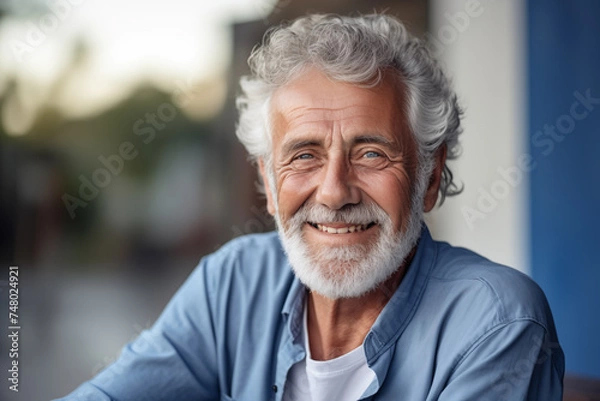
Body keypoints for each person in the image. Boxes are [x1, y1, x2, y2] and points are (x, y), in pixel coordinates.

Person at [55, 14, 564, 401]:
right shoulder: (234, 282)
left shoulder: (496, 322)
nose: (334, 192)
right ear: (269, 185)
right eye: (304, 155)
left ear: (429, 178)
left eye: (370, 153)